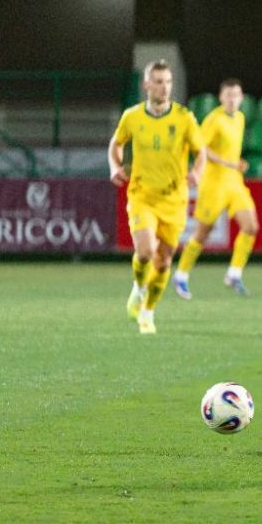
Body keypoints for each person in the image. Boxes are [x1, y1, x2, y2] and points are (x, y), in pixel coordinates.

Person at [108, 60, 206, 334]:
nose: (165, 87)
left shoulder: (184, 118)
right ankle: (139, 288)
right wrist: (115, 166)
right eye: (159, 82)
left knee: (163, 261)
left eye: (168, 82)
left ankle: (148, 312)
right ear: (147, 85)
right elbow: (116, 143)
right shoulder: (132, 116)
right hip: (142, 196)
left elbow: (201, 152)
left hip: (174, 200)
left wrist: (197, 172)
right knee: (145, 251)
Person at [173, 79, 260, 299]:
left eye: (236, 95)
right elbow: (200, 148)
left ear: (241, 98)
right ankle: (181, 275)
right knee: (203, 233)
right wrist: (228, 162)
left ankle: (234, 273)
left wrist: (235, 164)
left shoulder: (240, 118)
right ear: (221, 97)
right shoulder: (214, 119)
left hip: (234, 182)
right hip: (213, 183)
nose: (232, 99)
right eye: (228, 95)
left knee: (251, 227)